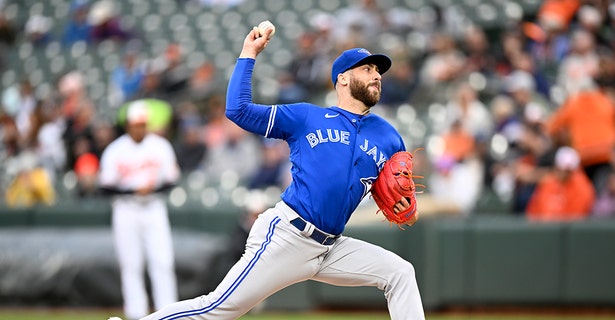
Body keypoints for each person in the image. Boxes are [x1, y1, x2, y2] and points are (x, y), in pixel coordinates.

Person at [139, 25, 424, 320]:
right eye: (366, 69)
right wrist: (249, 53)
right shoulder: (306, 116)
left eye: (378, 70)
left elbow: (400, 200)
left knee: (400, 272)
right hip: (287, 236)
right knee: (217, 309)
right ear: (342, 78)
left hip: (331, 247)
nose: (377, 75)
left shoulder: (388, 136)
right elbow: (238, 110)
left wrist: (408, 211)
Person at [100, 101, 180, 320]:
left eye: (142, 124)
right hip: (126, 210)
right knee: (130, 263)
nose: (139, 128)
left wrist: (150, 190)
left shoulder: (160, 146)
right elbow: (105, 187)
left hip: (154, 207)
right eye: (135, 124)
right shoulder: (116, 150)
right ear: (128, 125)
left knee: (162, 261)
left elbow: (172, 180)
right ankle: (135, 313)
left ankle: (168, 312)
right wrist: (134, 191)